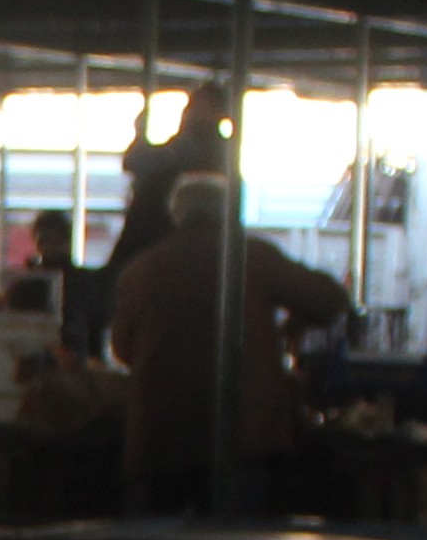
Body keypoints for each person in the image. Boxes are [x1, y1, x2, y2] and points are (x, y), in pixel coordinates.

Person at [103, 173, 348, 511]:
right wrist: (290, 328)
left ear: (176, 215)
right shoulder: (253, 257)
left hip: (160, 438)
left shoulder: (141, 270)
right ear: (231, 212)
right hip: (243, 434)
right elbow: (330, 300)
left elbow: (124, 350)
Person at [109, 84, 234, 274]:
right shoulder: (221, 149)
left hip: (158, 228)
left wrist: (139, 135)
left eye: (195, 105)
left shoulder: (195, 142)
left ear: (214, 109)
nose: (188, 111)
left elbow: (138, 162)